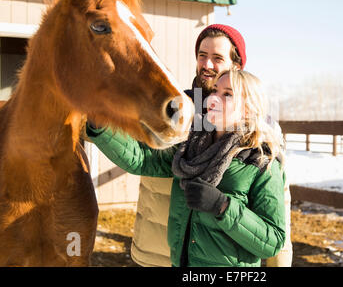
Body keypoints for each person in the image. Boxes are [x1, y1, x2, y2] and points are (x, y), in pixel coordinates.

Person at [86, 69, 286, 267]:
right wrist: (101, 126)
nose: (213, 99)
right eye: (215, 91)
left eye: (227, 94)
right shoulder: (191, 147)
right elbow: (142, 160)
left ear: (249, 109)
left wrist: (223, 206)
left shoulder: (261, 160)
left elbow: (273, 242)